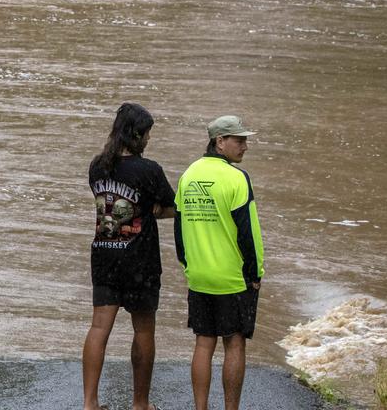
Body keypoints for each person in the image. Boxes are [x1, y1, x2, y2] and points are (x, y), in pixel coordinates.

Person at [82, 102, 175, 410]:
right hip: (140, 260)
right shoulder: (149, 170)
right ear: (137, 134)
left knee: (99, 328)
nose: (149, 139)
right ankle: (140, 404)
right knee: (144, 330)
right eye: (147, 134)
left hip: (105, 254)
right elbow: (173, 208)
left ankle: (90, 403)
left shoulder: (98, 166)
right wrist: (157, 210)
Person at [175, 116, 265, 410]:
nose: (245, 147)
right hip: (231, 278)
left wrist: (188, 266)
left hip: (199, 276)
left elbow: (179, 230)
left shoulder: (188, 175)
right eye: (239, 141)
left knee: (203, 343)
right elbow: (248, 233)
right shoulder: (236, 178)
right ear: (220, 142)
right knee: (234, 343)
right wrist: (254, 273)